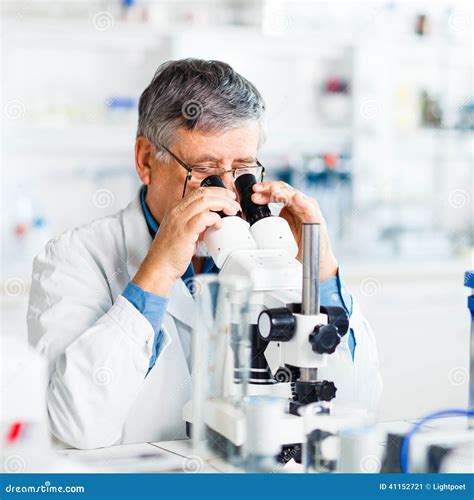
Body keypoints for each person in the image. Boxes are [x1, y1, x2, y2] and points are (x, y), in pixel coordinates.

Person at [27, 59, 382, 450]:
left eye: (244, 169)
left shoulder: (267, 257)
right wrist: (158, 271)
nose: (230, 193)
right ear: (146, 160)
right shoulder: (75, 258)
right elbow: (77, 427)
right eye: (205, 171)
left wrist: (319, 270)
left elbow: (356, 404)